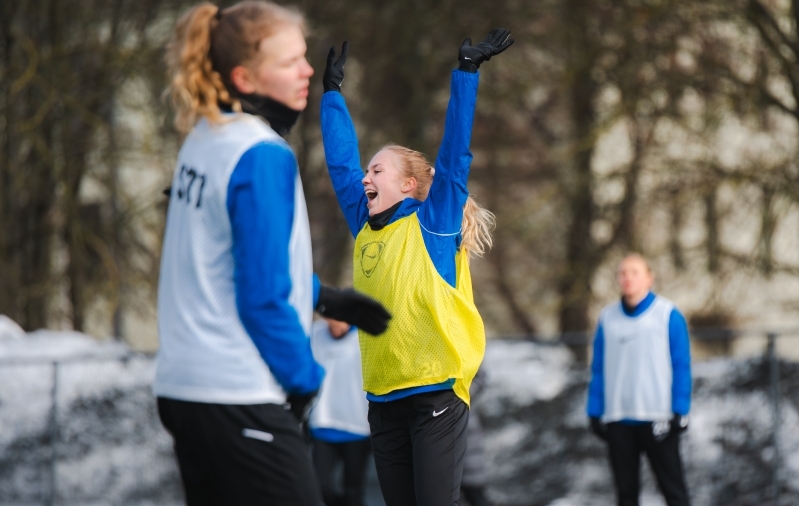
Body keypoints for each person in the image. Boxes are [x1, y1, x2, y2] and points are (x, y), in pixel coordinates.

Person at [153, 3, 389, 505]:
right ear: (245, 77)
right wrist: (304, 380)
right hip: (238, 391)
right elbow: (261, 296)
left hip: (182, 389)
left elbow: (225, 260)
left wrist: (323, 298)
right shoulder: (262, 155)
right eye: (289, 62)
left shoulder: (204, 136)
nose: (307, 70)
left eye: (304, 57)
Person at [319, 29, 513, 506]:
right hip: (383, 399)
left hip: (435, 393)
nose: (365, 177)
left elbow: (454, 160)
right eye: (367, 171)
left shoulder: (434, 223)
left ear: (407, 185)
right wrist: (331, 96)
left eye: (376, 170)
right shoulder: (367, 227)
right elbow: (341, 166)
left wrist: (466, 73)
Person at [587, 254, 692, 506]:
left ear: (649, 278)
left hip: (658, 418)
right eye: (623, 272)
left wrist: (680, 408)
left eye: (634, 272)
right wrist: (594, 410)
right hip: (619, 418)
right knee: (626, 495)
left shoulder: (667, 314)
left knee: (674, 492)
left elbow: (681, 365)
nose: (628, 277)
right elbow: (598, 368)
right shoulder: (607, 318)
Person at [308, 318, 372, 506]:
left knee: (353, 492)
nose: (335, 324)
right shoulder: (316, 332)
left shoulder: (365, 335)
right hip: (322, 424)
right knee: (320, 488)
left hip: (357, 427)